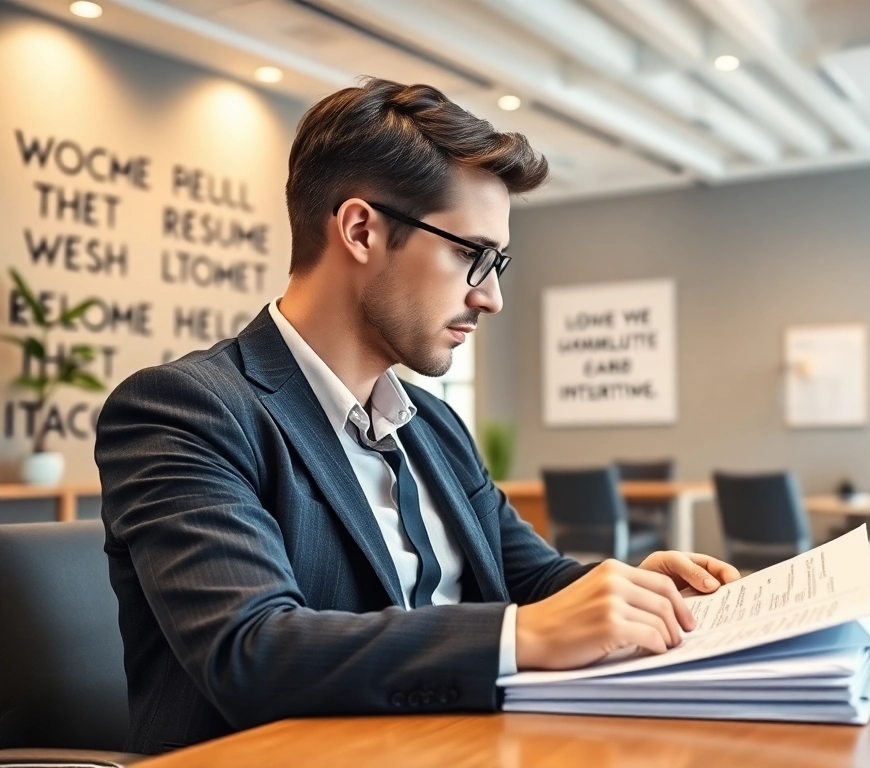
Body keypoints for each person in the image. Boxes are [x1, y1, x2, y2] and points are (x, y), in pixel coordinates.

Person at [95, 78, 740, 755]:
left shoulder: (433, 427)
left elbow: (530, 579)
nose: (489, 297)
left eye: (497, 264)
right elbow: (250, 649)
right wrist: (520, 636)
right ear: (360, 230)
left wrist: (634, 592)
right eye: (471, 255)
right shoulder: (185, 411)